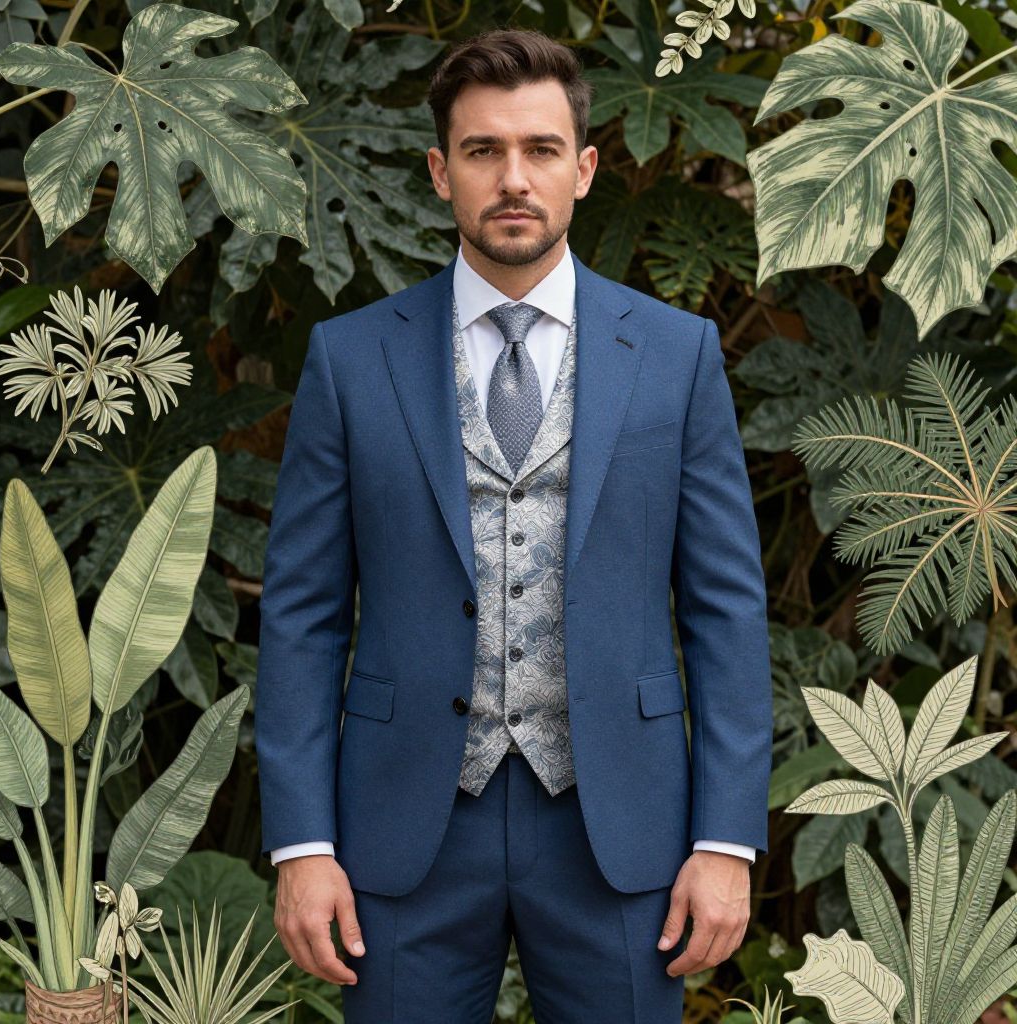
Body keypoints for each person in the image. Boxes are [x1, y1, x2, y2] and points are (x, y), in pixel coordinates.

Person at [255, 26, 772, 1023]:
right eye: (483, 152)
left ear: (582, 168)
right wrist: (303, 843)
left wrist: (724, 838)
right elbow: (303, 616)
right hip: (401, 833)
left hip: (619, 831)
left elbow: (725, 612)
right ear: (439, 171)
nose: (512, 178)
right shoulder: (350, 359)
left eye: (539, 149)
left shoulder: (677, 356)